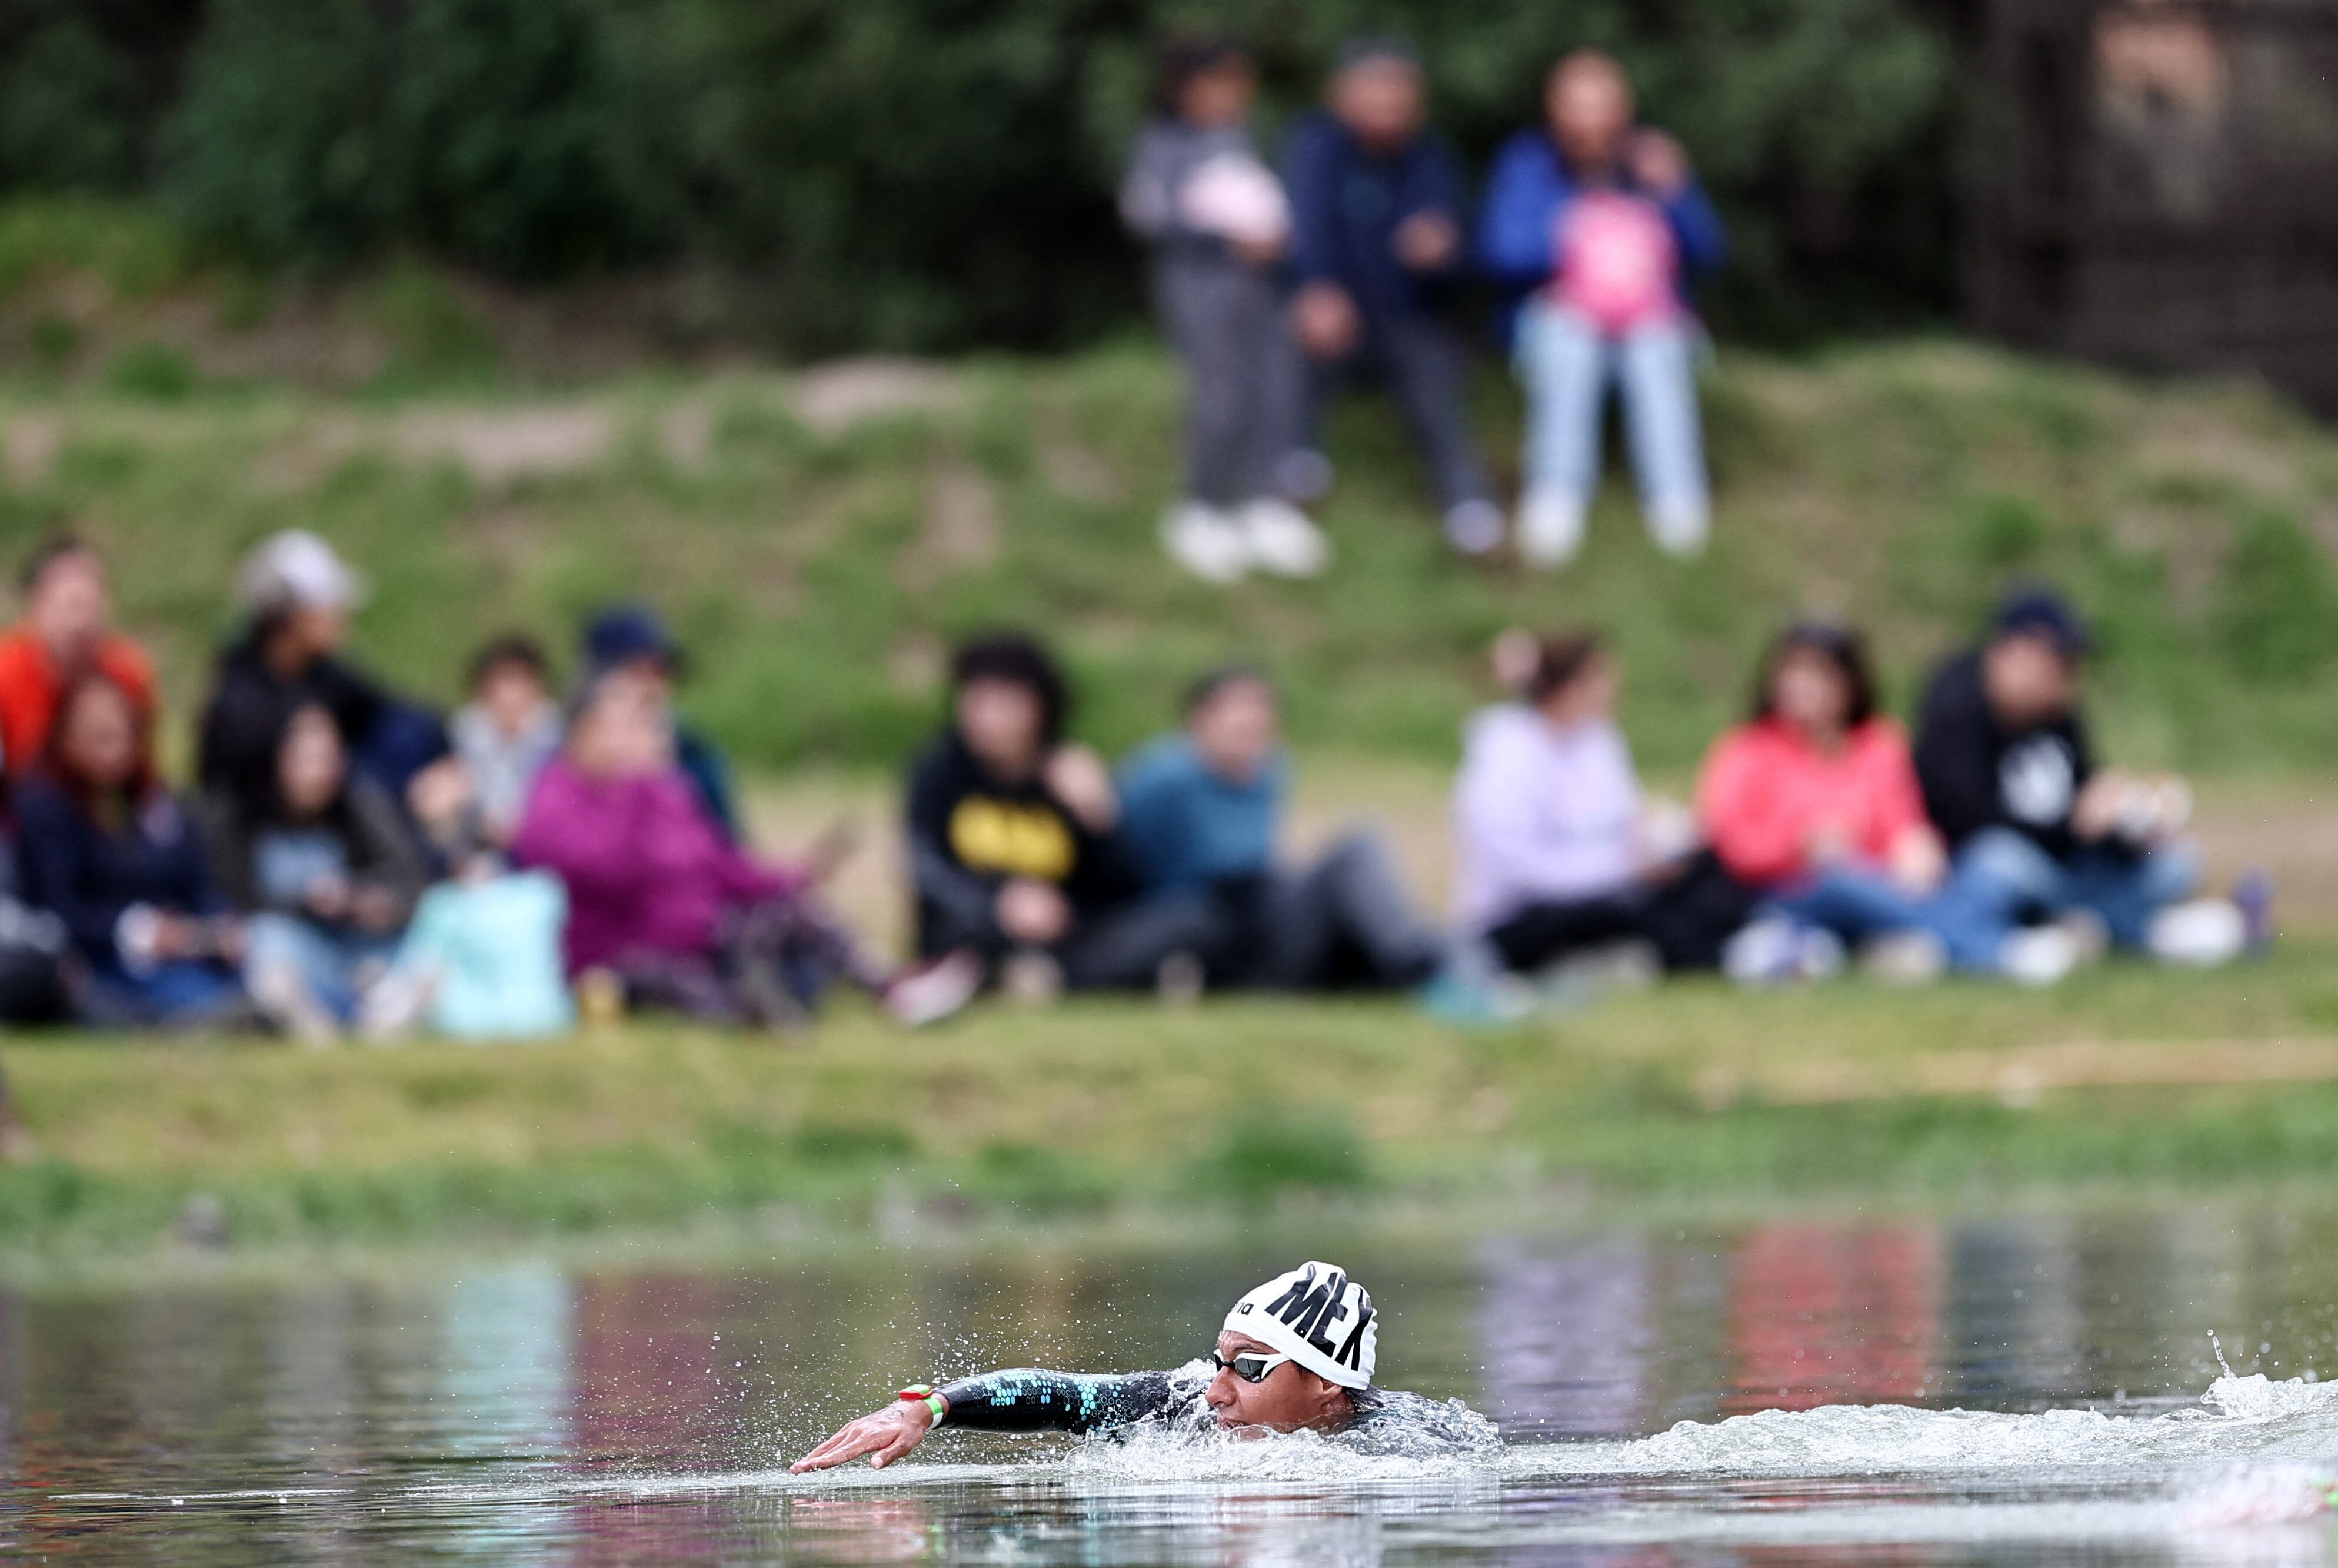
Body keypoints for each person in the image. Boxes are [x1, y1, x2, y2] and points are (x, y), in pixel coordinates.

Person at [513, 667, 973, 1028]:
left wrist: (795, 872)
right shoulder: (556, 798)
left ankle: (893, 991)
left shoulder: (665, 792)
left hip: (704, 931)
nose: (631, 737)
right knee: (703, 982)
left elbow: (717, 862)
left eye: (639, 722)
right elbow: (610, 872)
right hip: (620, 954)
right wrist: (636, 792)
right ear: (580, 731)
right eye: (617, 725)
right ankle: (766, 1010)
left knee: (794, 912)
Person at [790, 1261, 1491, 1471]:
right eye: (1221, 1361)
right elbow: (1065, 1396)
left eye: (1248, 1369)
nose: (1216, 1389)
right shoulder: (1182, 1404)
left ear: (1325, 1384)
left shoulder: (1405, 1448)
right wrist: (927, 1407)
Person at [1914, 587, 2246, 980]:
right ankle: (2111, 931)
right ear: (2013, 652)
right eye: (2058, 661)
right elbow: (1970, 820)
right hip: (2004, 871)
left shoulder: (2061, 718)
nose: (2067, 676)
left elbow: (2088, 802)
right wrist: (2072, 825)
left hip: (2072, 872)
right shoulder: (1956, 711)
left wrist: (2130, 825)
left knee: (2177, 860)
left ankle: (2090, 929)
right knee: (1999, 859)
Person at [1477, 50, 1727, 567]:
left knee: (1654, 353)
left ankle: (1677, 502)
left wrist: (1676, 192)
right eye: (1576, 107)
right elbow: (1499, 252)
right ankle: (1556, 495)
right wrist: (1576, 227)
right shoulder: (1527, 164)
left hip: (1650, 321)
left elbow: (1710, 253)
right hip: (1557, 319)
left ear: (1624, 111)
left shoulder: (1652, 164)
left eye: (1601, 106)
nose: (1589, 121)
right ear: (1553, 111)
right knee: (1572, 342)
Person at [907, 633, 1219, 997]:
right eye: (977, 701)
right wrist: (999, 903)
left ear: (1041, 710)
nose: (987, 718)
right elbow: (926, 868)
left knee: (1191, 917)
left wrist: (1099, 817)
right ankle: (1079, 978)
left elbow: (1122, 889)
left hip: (1065, 938)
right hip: (979, 928)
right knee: (963, 933)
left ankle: (1045, 979)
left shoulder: (1068, 774)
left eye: (1005, 705)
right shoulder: (940, 772)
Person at [1121, 35, 1328, 583]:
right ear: (1183, 88)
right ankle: (1201, 507)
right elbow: (1148, 214)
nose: (1230, 95)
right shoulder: (1163, 143)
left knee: (1275, 387)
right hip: (1199, 284)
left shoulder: (1240, 138)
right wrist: (1220, 237)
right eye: (1216, 83)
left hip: (1259, 287)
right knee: (1222, 393)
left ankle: (1263, 503)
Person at [1283, 40, 1501, 555]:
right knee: (1292, 341)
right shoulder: (1316, 147)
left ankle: (1469, 507)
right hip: (1330, 312)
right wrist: (1316, 287)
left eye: (1399, 90)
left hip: (1406, 316)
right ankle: (1294, 470)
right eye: (1376, 88)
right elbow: (1305, 227)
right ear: (1341, 95)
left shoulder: (1431, 160)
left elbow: (1463, 260)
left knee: (1435, 377)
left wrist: (1443, 252)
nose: (1389, 102)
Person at [1117, 667, 1445, 990]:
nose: (1252, 721)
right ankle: (1420, 966)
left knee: (1381, 901)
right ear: (1200, 718)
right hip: (1215, 933)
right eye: (1237, 710)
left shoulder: (1270, 768)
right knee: (1355, 850)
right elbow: (1114, 847)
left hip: (1266, 918)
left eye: (1262, 711)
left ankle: (1425, 963)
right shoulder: (1165, 774)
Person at [1451, 631, 1746, 977]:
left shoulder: (1599, 741)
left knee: (1709, 869)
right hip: (1524, 913)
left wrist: (1660, 848)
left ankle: (1715, 946)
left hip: (1612, 885)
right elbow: (1520, 869)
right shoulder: (1506, 756)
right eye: (1602, 679)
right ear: (1571, 687)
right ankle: (1711, 958)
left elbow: (1625, 820)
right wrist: (1619, 872)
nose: (1612, 691)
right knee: (1624, 915)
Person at [1697, 622, 1949, 984]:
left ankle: (1889, 939)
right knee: (1842, 882)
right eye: (1792, 672)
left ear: (1849, 682)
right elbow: (1731, 843)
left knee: (1980, 865)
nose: (1801, 686)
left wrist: (1915, 846)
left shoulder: (1879, 744)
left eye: (1816, 673)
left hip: (1879, 885)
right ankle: (1990, 949)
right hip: (1783, 892)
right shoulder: (1747, 750)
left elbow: (1901, 822)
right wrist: (1799, 845)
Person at [13, 673, 231, 1026]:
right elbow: (55, 908)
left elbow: (200, 882)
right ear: (66, 737)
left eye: (123, 735)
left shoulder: (160, 804)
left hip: (184, 956)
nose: (114, 750)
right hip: (90, 964)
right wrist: (139, 931)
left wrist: (216, 926)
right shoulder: (44, 806)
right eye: (99, 737)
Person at [204, 703, 429, 1041]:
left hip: (359, 948)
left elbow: (410, 878)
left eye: (327, 759)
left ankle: (382, 1012)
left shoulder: (359, 805)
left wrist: (363, 898)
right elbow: (235, 902)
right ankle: (307, 1018)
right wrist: (307, 904)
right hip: (297, 949)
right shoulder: (241, 818)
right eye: (304, 759)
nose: (317, 774)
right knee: (266, 937)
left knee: (430, 936)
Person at [197, 530, 447, 808]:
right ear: (292, 617)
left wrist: (443, 767)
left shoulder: (325, 674)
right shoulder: (237, 705)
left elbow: (402, 716)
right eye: (328, 604)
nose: (340, 614)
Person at [0, 535, 157, 780]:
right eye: (70, 606)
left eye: (89, 606)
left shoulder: (127, 672)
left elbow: (142, 772)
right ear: (36, 605)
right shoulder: (7, 674)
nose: (80, 625)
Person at [578, 604, 739, 842]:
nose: (650, 686)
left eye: (660, 671)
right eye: (636, 672)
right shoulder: (562, 763)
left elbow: (728, 849)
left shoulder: (695, 751)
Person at [411, 634, 563, 865]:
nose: (511, 696)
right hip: (480, 834)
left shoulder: (557, 732)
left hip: (542, 836)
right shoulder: (466, 731)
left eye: (520, 683)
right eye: (502, 685)